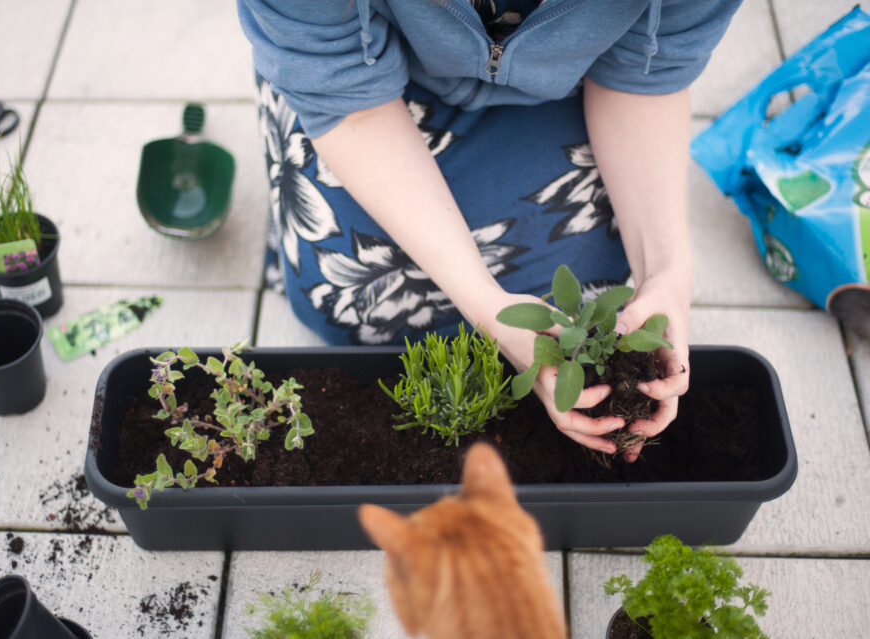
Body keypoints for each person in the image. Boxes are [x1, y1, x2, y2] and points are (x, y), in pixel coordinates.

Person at [237, 0, 743, 460]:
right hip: (370, 88)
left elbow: (643, 78)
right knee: (356, 302)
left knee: (594, 298)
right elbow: (349, 101)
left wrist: (666, 274)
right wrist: (484, 303)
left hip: (564, 90)